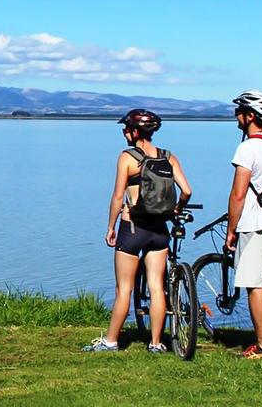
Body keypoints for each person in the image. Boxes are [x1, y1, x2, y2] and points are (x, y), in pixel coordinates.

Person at [85, 109, 192, 353]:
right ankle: (155, 343)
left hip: (132, 228)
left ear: (135, 131)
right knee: (156, 286)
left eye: (126, 129)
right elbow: (187, 191)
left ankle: (111, 341)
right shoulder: (168, 157)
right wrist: (176, 209)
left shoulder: (127, 157)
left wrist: (111, 227)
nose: (124, 133)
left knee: (124, 288)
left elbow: (117, 195)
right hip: (159, 230)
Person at [225, 89, 262, 360]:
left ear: (250, 116)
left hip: (254, 224)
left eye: (239, 111)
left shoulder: (248, 148)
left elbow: (238, 194)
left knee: (254, 286)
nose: (236, 116)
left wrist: (231, 229)